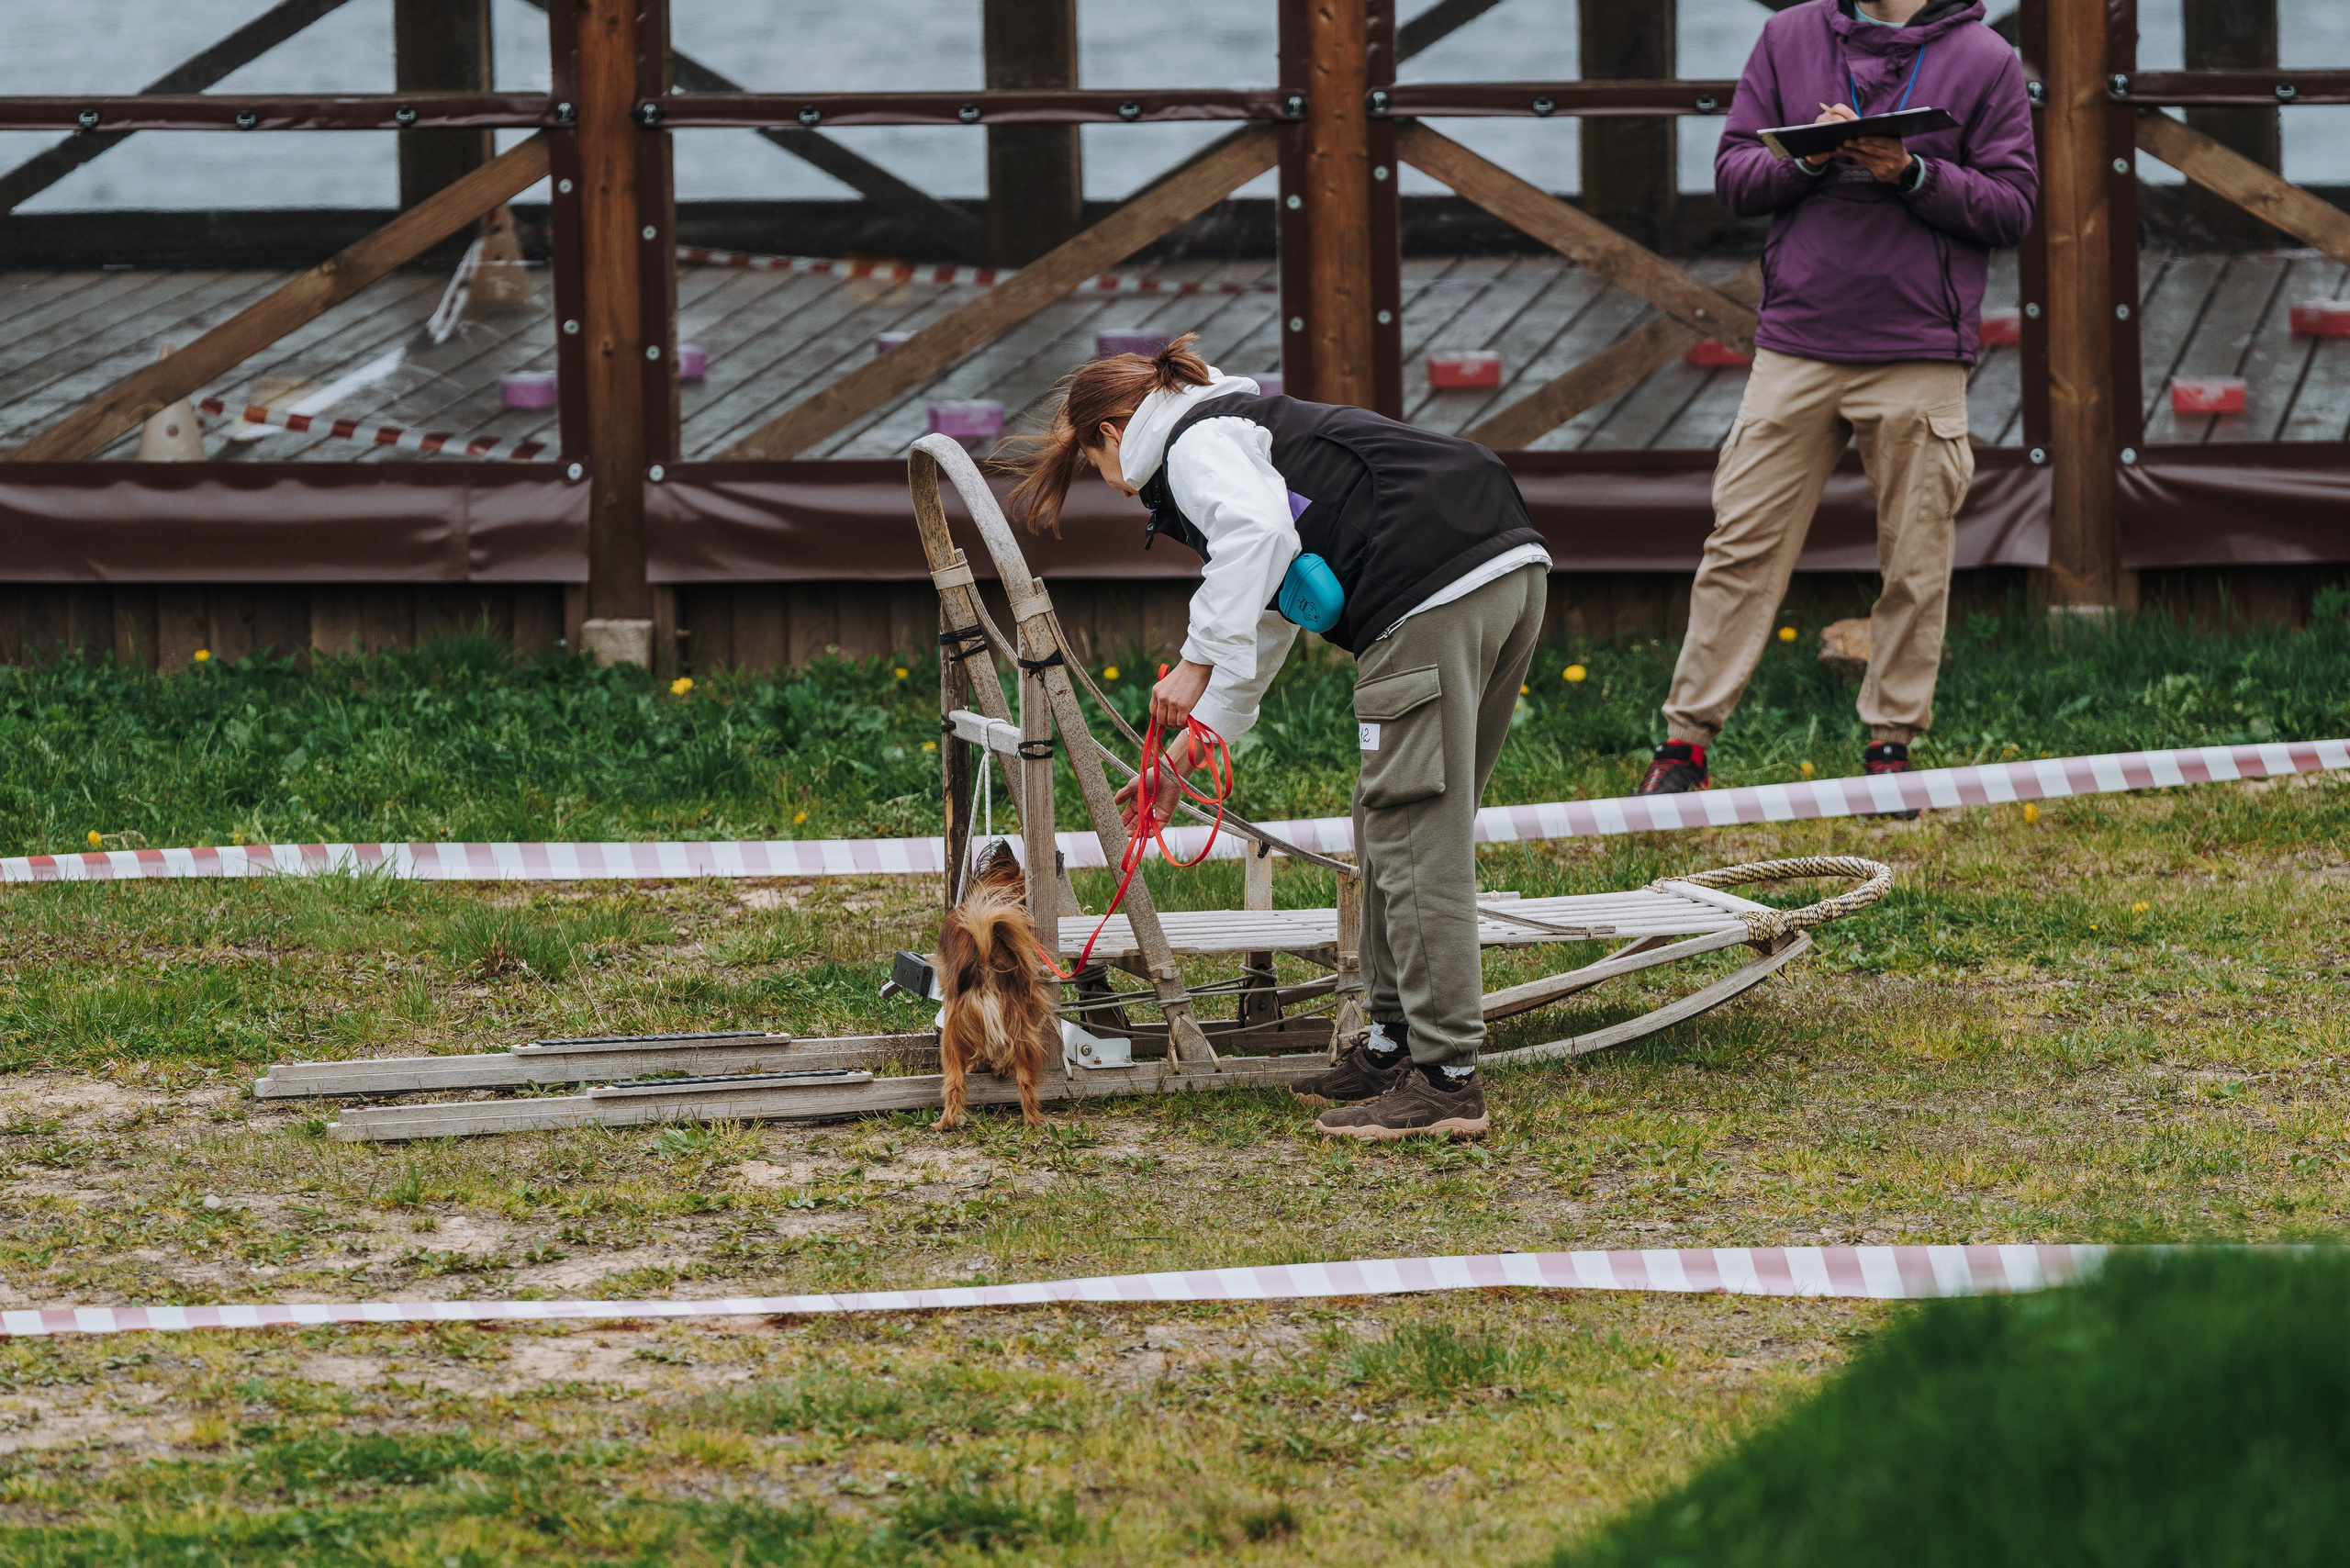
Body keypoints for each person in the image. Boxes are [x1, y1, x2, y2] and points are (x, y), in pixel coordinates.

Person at [999, 337, 1550, 1140]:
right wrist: (1186, 756)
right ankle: (1392, 1045)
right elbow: (1268, 605)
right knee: (1391, 820)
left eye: (1095, 464)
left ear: (1113, 432)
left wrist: (1192, 664)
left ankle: (1445, 1081)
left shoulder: (1190, 446)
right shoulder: (1238, 429)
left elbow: (1254, 539)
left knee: (1412, 826)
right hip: (1502, 568)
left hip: (1428, 585)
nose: (1113, 487)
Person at [1638, 0, 2036, 796]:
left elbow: (2013, 208)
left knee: (1915, 561)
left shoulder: (1987, 58)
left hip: (1920, 348)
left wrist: (1911, 172)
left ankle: (1891, 747)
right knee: (1740, 546)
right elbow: (1734, 176)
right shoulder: (1787, 36)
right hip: (1797, 343)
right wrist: (1808, 158)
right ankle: (1685, 747)